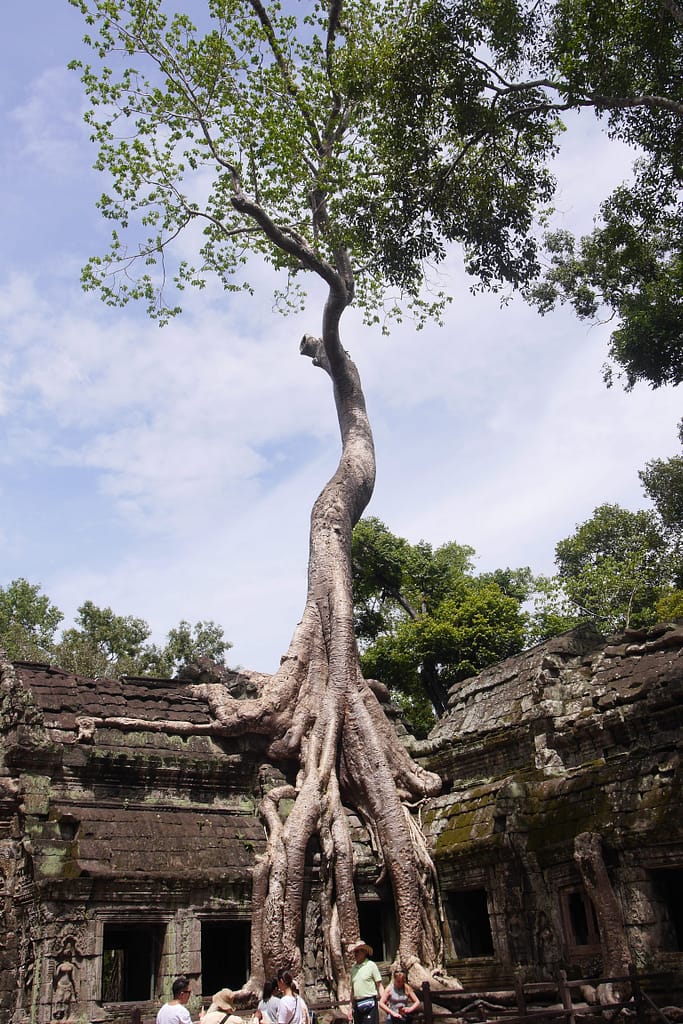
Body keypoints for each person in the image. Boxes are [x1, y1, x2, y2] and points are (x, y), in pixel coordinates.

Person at [348, 941, 384, 1024]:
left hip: (370, 1003)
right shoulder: (353, 969)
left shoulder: (371, 965)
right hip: (357, 1005)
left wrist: (384, 1000)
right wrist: (350, 1008)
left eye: (357, 951)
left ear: (364, 952)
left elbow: (379, 985)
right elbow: (353, 990)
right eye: (354, 952)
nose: (355, 954)